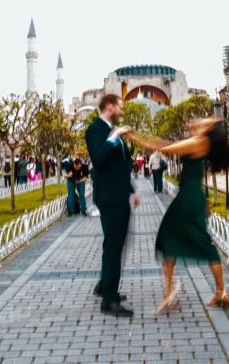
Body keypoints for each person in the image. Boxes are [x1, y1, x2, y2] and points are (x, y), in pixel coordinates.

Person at [129, 119, 229, 313]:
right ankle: (213, 292)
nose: (197, 123)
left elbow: (166, 148)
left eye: (203, 122)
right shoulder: (199, 141)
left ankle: (207, 292)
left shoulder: (199, 142)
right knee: (175, 239)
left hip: (188, 199)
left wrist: (135, 136)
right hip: (191, 196)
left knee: (177, 240)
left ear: (208, 128)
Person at [85, 94, 137, 317]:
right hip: (109, 197)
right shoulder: (95, 130)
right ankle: (109, 299)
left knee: (114, 245)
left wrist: (131, 190)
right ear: (109, 106)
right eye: (120, 107)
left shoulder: (112, 131)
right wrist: (114, 137)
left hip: (119, 194)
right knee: (114, 247)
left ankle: (106, 285)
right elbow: (99, 160)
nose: (122, 112)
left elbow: (121, 164)